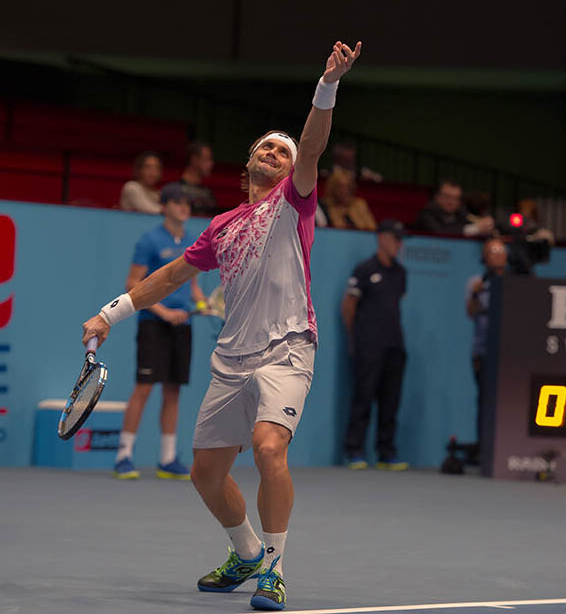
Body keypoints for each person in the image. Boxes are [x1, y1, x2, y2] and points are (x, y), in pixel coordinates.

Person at [82, 40, 362, 611]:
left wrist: (328, 84)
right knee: (206, 473)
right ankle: (247, 552)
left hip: (288, 348)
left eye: (282, 151)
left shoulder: (295, 202)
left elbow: (312, 144)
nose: (274, 153)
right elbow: (169, 276)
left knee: (267, 448)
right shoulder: (222, 225)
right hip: (232, 357)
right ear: (248, 163)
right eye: (265, 147)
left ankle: (274, 570)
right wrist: (110, 313)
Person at [114, 182, 207, 480]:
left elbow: (192, 285)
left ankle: (167, 459)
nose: (184, 208)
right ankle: (123, 456)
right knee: (143, 388)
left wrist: (203, 303)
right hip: (153, 323)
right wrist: (164, 312)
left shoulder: (193, 241)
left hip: (183, 325)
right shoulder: (149, 241)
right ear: (164, 207)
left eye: (187, 204)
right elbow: (132, 284)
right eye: (178, 203)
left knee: (173, 390)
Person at [341, 219, 409, 471]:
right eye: (395, 239)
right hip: (368, 347)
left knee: (391, 402)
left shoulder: (401, 273)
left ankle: (386, 452)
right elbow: (348, 306)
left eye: (401, 240)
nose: (399, 245)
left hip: (395, 346)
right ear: (381, 238)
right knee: (363, 398)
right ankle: (354, 450)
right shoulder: (364, 269)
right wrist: (358, 338)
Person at [465, 238, 507, 458]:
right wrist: (475, 293)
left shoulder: (515, 282)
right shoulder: (476, 283)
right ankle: (484, 449)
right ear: (484, 257)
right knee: (484, 402)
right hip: (483, 352)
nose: (497, 254)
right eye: (492, 251)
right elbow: (470, 312)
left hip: (508, 355)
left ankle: (506, 448)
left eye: (501, 251)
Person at [415, 179, 494, 237]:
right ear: (436, 196)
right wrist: (474, 229)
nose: (451, 202)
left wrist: (485, 227)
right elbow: (441, 233)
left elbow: (470, 226)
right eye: (447, 197)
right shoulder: (426, 214)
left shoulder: (460, 213)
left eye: (456, 198)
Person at [177, 141, 217, 216]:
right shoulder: (175, 190)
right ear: (194, 159)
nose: (211, 163)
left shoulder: (208, 193)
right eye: (207, 159)